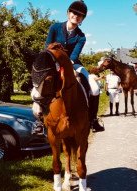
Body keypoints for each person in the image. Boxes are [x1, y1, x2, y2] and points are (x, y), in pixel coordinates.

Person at [45, 0, 104, 131]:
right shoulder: (54, 27)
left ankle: (93, 120)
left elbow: (74, 55)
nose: (76, 16)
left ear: (83, 18)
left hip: (74, 64)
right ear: (68, 13)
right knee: (42, 83)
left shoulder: (81, 36)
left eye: (80, 15)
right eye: (74, 13)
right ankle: (40, 119)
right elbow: (47, 47)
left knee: (94, 88)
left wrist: (67, 66)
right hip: (52, 62)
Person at [88, 67, 105, 132]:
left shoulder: (89, 76)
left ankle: (93, 122)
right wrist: (101, 77)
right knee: (94, 109)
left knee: (93, 109)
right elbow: (96, 79)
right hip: (94, 94)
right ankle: (94, 123)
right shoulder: (92, 76)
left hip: (94, 94)